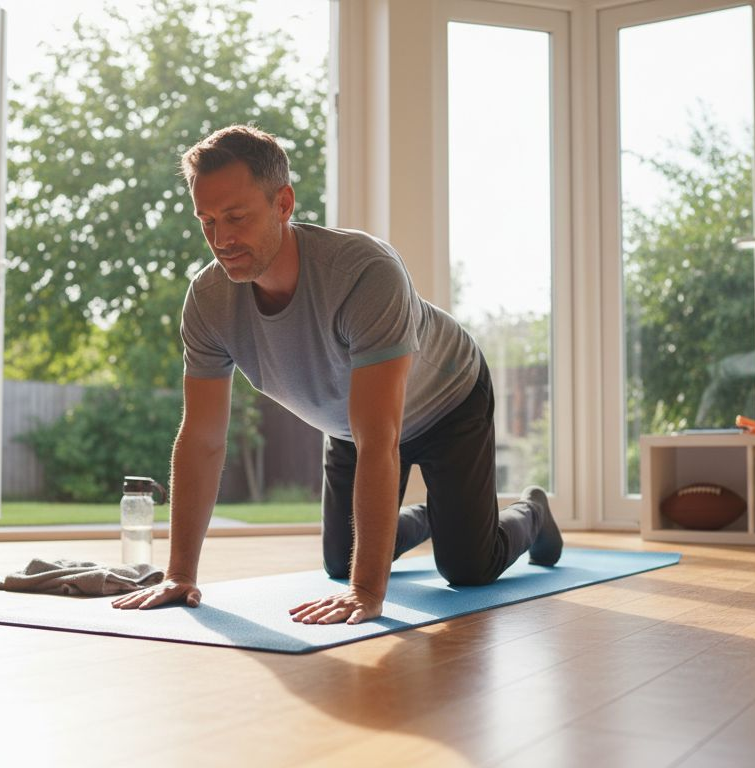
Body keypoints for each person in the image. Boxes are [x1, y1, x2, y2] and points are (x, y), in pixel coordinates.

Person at [112, 124, 562, 626]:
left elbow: (381, 439)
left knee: (468, 566)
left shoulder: (364, 272)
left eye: (236, 217)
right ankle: (445, 516)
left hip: (446, 399)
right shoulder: (210, 301)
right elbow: (201, 439)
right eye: (207, 221)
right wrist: (179, 574)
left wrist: (367, 592)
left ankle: (533, 512)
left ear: (284, 204)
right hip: (354, 423)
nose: (221, 239)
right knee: (339, 559)